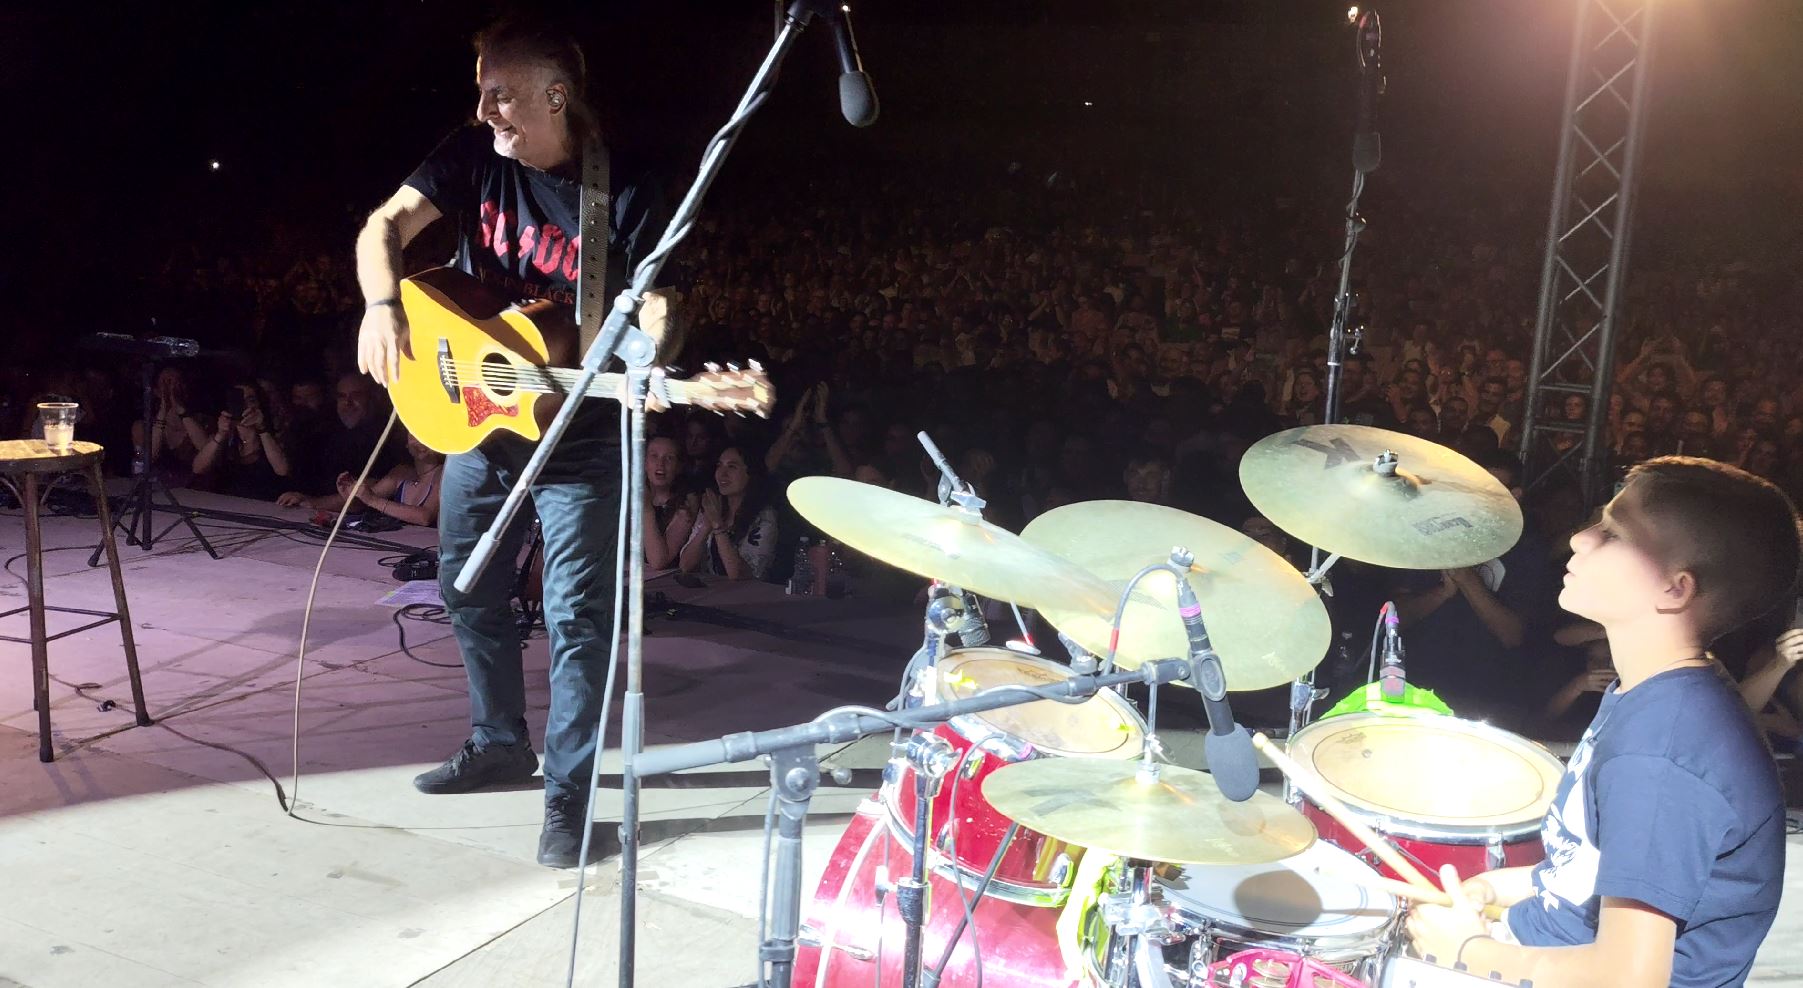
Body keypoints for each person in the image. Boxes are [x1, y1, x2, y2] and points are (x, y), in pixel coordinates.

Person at [351, 13, 667, 868]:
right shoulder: (471, 155)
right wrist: (382, 306)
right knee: (465, 588)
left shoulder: (624, 184)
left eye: (500, 94)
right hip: (482, 423)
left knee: (577, 618)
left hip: (580, 438)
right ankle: (498, 743)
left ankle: (568, 794)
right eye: (481, 91)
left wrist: (653, 352)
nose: (484, 110)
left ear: (554, 97)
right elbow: (383, 226)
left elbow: (657, 299)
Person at [1407, 456, 1798, 987]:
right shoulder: (1653, 692)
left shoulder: (1662, 752)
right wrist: (1494, 889)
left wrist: (1469, 952)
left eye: (1612, 533)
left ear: (1675, 589)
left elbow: (1629, 976)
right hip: (1541, 945)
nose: (1579, 538)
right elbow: (1583, 872)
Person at [679, 445, 778, 582]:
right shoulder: (713, 505)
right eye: (719, 465)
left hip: (749, 593)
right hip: (711, 590)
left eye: (732, 467)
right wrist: (706, 526)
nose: (722, 474)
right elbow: (685, 565)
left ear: (750, 474)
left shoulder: (764, 517)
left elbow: (738, 575)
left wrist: (718, 526)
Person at [643, 434, 696, 569]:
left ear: (678, 467)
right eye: (654, 456)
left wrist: (646, 508)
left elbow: (658, 562)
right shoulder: (625, 495)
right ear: (644, 463)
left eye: (669, 458)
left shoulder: (685, 504)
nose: (660, 464)